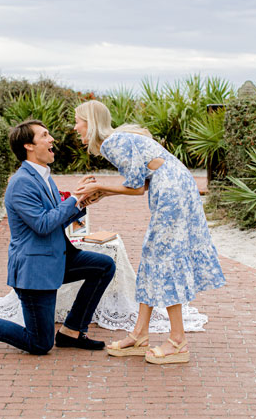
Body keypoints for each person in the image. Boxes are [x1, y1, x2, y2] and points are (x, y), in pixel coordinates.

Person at [73, 100, 226, 364]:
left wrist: (99, 189)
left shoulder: (112, 143)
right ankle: (140, 334)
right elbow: (140, 182)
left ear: (90, 122)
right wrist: (102, 192)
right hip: (175, 186)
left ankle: (178, 341)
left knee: (164, 259)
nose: (76, 127)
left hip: (171, 190)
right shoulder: (118, 139)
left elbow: (135, 188)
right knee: (153, 256)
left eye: (78, 121)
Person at [0, 119, 115, 354]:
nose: (52, 140)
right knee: (40, 343)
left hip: (56, 259)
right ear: (29, 146)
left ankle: (72, 331)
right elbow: (42, 224)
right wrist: (74, 199)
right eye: (45, 136)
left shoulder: (44, 176)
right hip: (35, 270)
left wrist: (81, 204)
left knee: (104, 266)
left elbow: (54, 219)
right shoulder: (21, 183)